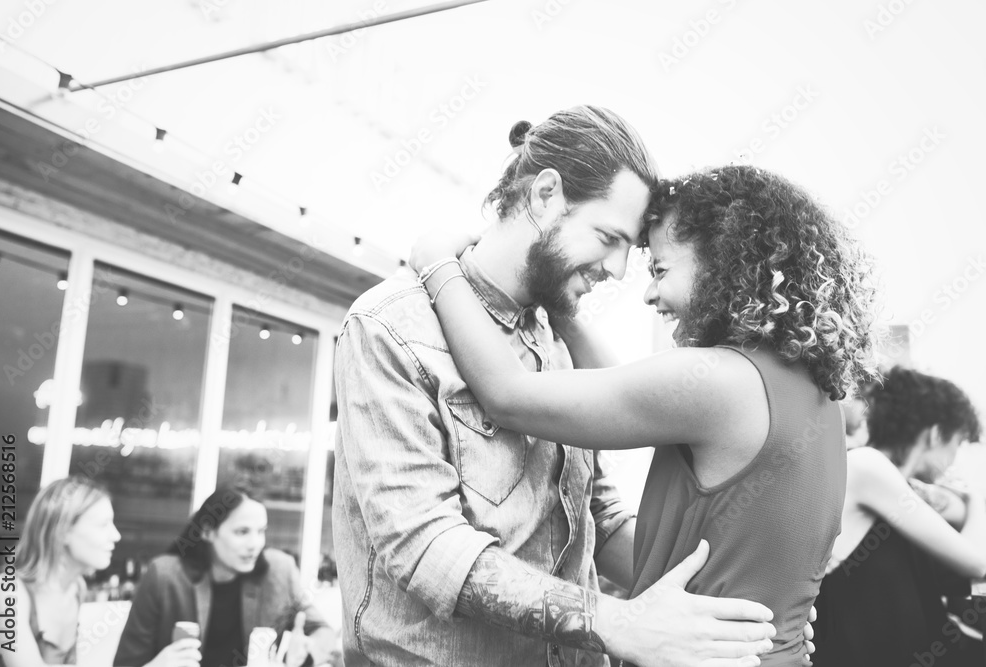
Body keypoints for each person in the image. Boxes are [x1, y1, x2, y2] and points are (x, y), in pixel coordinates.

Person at [334, 106, 809, 667]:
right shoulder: (390, 325)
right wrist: (615, 622)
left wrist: (732, 606)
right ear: (544, 195)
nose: (616, 270)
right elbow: (424, 546)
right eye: (608, 237)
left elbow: (595, 518)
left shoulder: (555, 335)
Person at [409, 162, 879, 665]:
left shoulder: (720, 383)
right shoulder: (808, 390)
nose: (650, 293)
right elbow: (622, 386)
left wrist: (436, 265)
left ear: (722, 263)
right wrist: (557, 299)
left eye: (659, 270)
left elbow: (507, 393)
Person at [812, 366, 986, 666]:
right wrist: (977, 497)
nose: (954, 458)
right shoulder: (866, 465)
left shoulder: (887, 483)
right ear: (935, 434)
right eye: (956, 443)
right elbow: (979, 563)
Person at [0, 476, 201, 667]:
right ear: (62, 532)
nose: (116, 536)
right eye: (103, 525)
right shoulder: (8, 592)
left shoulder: (75, 588)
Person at [114, 486, 334, 667]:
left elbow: (321, 630)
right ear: (207, 531)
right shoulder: (164, 576)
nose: (255, 544)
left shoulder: (278, 570)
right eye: (242, 532)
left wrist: (307, 649)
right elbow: (126, 663)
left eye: (261, 531)